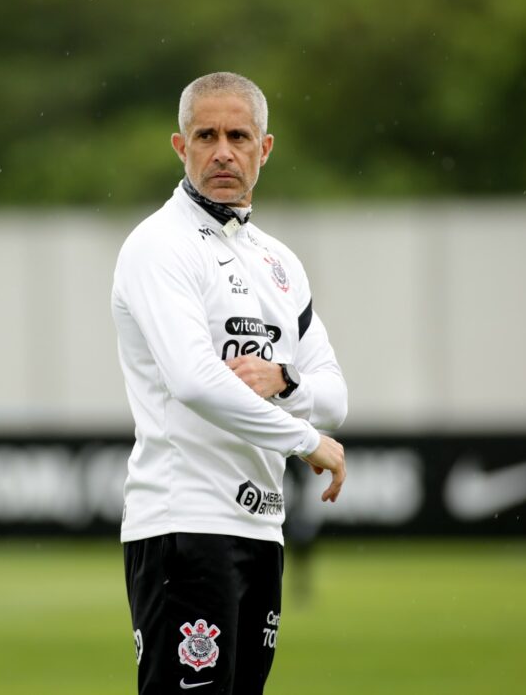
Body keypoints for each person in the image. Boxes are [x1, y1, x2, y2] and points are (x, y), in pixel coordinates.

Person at [111, 71, 348, 695]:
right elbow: (194, 381)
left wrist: (284, 377)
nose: (222, 151)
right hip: (184, 525)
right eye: (205, 135)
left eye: (238, 135)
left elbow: (334, 393)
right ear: (179, 146)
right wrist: (304, 441)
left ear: (263, 148)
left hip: (258, 528)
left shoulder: (279, 262)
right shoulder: (159, 246)